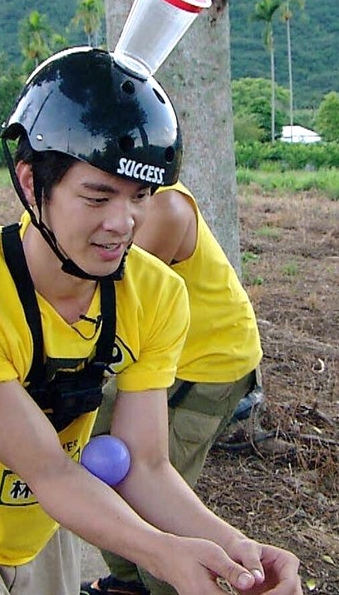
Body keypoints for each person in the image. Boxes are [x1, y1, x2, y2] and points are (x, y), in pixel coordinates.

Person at [0, 46, 302, 595]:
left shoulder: (156, 293)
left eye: (140, 196)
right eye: (97, 195)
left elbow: (145, 466)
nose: (124, 223)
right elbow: (50, 469)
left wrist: (239, 554)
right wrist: (165, 556)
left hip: (39, 535)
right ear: (30, 183)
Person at [81, 180, 264, 595]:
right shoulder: (119, 196)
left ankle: (169, 585)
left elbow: (114, 298)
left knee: (153, 493)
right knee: (94, 447)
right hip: (160, 354)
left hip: (205, 363)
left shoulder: (165, 208)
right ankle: (128, 581)